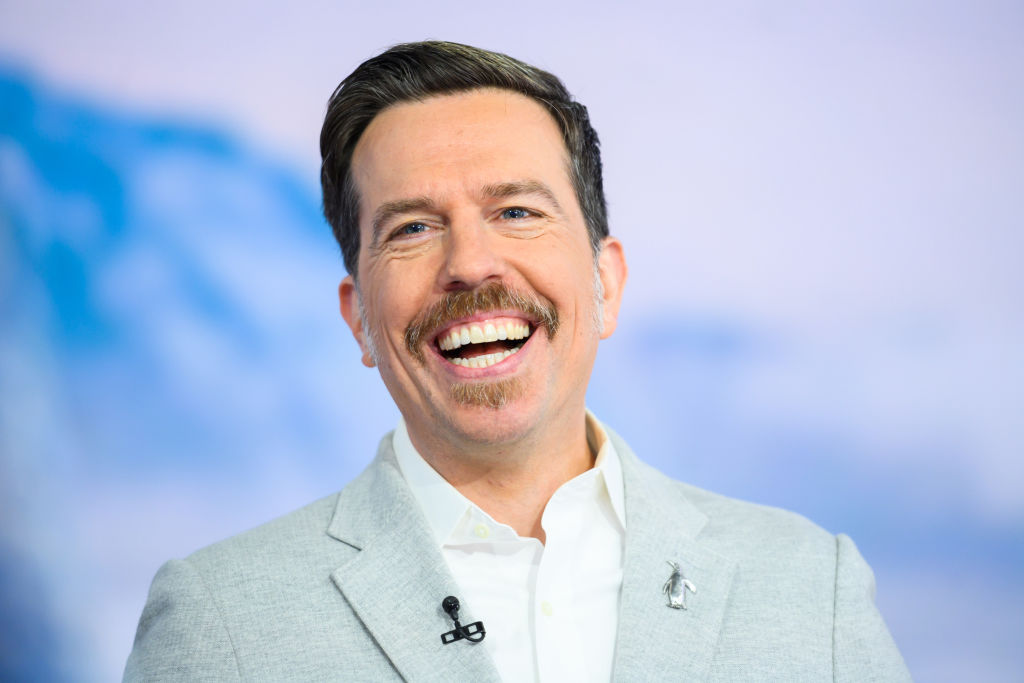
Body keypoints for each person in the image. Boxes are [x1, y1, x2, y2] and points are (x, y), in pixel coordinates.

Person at [124, 41, 910, 682]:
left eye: (516, 211)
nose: (471, 262)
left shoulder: (814, 587)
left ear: (606, 282)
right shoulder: (220, 621)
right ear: (357, 316)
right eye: (412, 228)